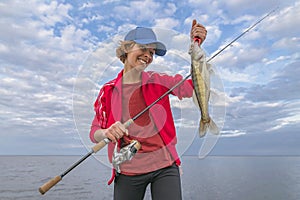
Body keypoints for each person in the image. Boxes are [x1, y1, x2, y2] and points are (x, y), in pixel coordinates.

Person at [90, 20, 207, 200]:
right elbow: (94, 132)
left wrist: (196, 47)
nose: (148, 56)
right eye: (143, 48)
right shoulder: (107, 91)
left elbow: (191, 87)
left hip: (165, 166)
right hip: (128, 170)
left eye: (152, 52)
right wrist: (107, 131)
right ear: (126, 49)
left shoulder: (159, 80)